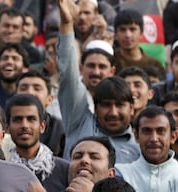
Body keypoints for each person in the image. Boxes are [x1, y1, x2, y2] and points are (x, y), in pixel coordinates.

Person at [57, 0, 139, 163]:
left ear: (132, 108)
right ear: (96, 106)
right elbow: (68, 74)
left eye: (120, 105)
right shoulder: (79, 120)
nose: (113, 112)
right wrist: (67, 24)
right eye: (106, 105)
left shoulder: (141, 148)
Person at [116, 106, 178, 192]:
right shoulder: (121, 174)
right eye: (147, 131)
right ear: (136, 136)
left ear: (173, 136)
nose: (154, 138)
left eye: (161, 131)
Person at [5, 93, 68, 192]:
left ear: (42, 126)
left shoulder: (64, 170)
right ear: (7, 127)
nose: (25, 125)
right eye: (17, 120)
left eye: (31, 119)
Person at [16, 69, 65, 157]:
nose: (30, 92)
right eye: (24, 88)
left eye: (37, 88)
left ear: (49, 99)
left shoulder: (59, 130)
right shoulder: (3, 126)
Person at [113, 9, 165, 76]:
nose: (128, 35)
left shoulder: (155, 65)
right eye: (122, 30)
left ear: (141, 33)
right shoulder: (109, 61)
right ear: (115, 34)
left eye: (132, 29)